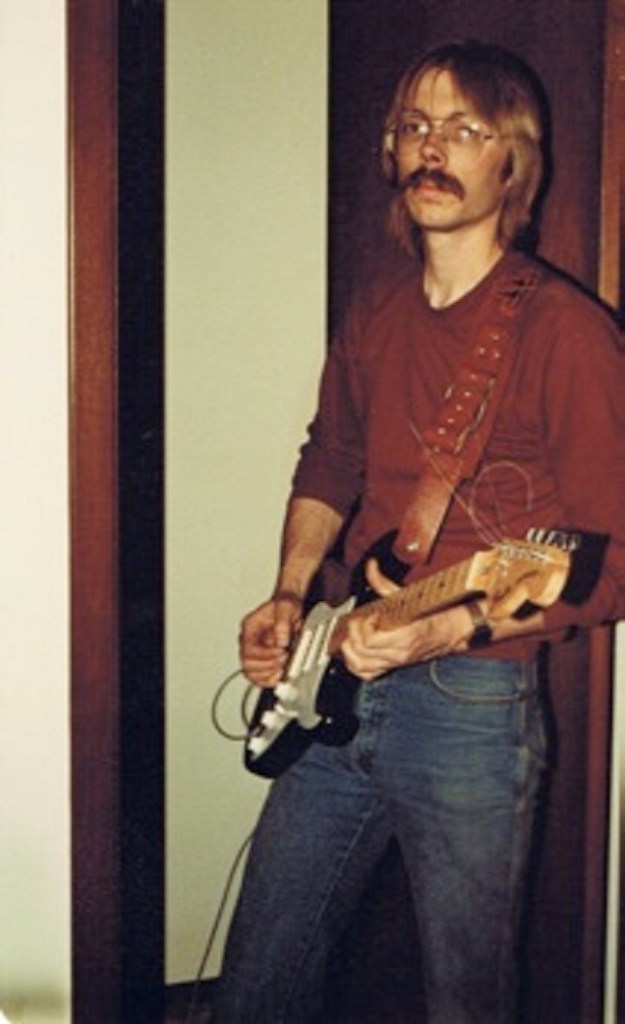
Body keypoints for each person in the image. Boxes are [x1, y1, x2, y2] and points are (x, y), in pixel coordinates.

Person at [214, 41, 625, 1024]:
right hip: (337, 675)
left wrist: (440, 629)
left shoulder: (565, 332)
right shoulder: (375, 310)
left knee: (465, 1000)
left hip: (469, 706)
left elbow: (610, 560)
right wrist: (290, 592)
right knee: (259, 980)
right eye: (415, 127)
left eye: (464, 129)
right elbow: (329, 459)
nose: (432, 148)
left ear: (511, 164)